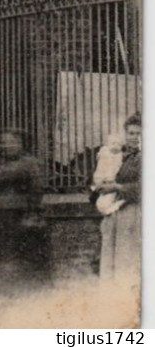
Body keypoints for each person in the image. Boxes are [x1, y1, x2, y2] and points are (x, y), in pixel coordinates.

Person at [0, 127, 50, 300]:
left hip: (21, 213)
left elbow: (37, 190)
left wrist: (32, 212)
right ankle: (0, 293)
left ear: (22, 144)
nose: (6, 146)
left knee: (23, 255)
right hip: (0, 213)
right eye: (3, 142)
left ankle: (26, 294)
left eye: (12, 142)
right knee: (0, 255)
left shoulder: (30, 162)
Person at [93, 112, 141, 284]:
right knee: (111, 257)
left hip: (135, 212)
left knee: (128, 258)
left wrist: (116, 187)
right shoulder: (117, 153)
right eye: (131, 133)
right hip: (115, 211)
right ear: (125, 134)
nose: (135, 138)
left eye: (139, 133)